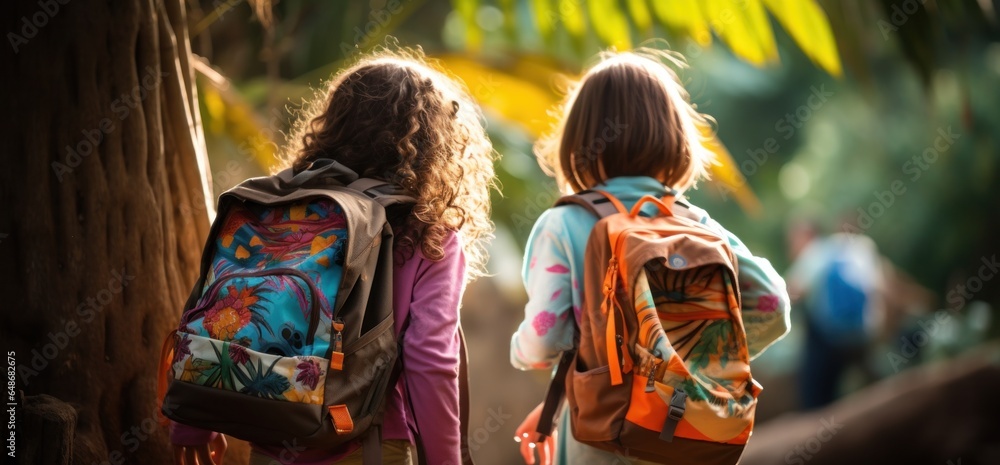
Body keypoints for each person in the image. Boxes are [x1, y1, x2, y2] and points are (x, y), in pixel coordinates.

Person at [170, 46, 497, 465]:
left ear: (334, 123)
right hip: (365, 442)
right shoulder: (428, 235)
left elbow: (213, 303)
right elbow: (430, 359)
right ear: (436, 146)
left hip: (272, 432)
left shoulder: (277, 207)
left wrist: (192, 421)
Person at [509, 49, 791, 465]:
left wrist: (522, 353)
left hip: (601, 442)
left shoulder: (565, 224)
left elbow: (544, 340)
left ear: (578, 141)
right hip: (686, 433)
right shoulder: (694, 224)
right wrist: (699, 365)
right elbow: (773, 305)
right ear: (674, 134)